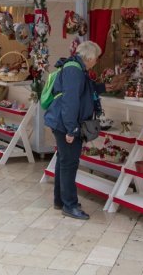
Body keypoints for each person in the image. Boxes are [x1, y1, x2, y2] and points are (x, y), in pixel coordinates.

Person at [43, 41, 105, 220]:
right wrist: (72, 129)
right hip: (66, 124)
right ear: (91, 57)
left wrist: (105, 87)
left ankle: (60, 201)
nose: (97, 61)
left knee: (64, 161)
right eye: (97, 58)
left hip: (63, 123)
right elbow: (70, 102)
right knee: (69, 164)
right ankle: (69, 205)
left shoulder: (76, 68)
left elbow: (85, 90)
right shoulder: (74, 70)